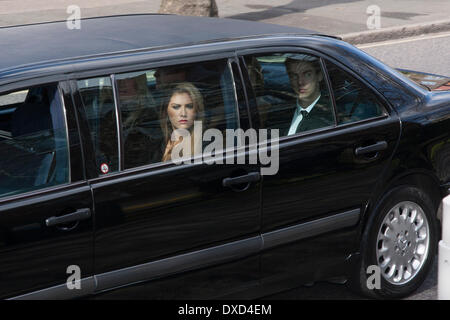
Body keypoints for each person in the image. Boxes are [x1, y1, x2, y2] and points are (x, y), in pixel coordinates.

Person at [284, 54, 334, 135]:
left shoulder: (330, 116)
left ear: (319, 76)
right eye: (294, 76)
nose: (300, 82)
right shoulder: (281, 110)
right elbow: (266, 143)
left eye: (307, 74)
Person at [160, 82, 204, 162]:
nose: (183, 113)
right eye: (176, 107)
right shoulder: (159, 143)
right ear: (165, 111)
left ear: (197, 110)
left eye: (189, 106)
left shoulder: (205, 145)